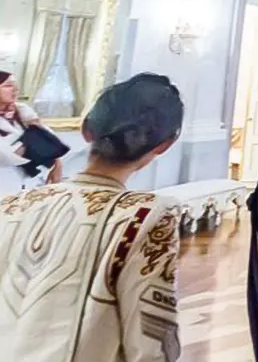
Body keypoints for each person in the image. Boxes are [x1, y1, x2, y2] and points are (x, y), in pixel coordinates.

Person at [0, 73, 185, 362]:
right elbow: (151, 345)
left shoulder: (11, 205)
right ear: (164, 145)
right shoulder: (145, 216)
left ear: (87, 130)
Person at [0, 70, 63, 190]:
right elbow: (6, 154)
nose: (14, 89)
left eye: (15, 86)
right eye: (8, 85)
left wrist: (57, 163)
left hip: (31, 182)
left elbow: (51, 139)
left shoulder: (22, 110)